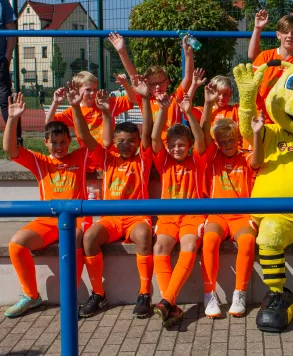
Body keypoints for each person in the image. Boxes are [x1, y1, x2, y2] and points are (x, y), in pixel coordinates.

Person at [2, 92, 93, 317]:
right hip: (48, 220)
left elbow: (92, 142)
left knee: (76, 239)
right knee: (16, 244)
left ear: (70, 142)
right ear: (46, 143)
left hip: (76, 219)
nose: (59, 147)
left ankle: (70, 297)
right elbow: (10, 150)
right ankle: (31, 296)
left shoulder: (79, 157)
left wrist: (76, 108)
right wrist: (12, 118)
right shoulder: (40, 161)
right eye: (54, 142)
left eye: (63, 142)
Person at [76, 81, 154, 319]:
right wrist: (76, 108)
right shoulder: (106, 157)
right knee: (89, 237)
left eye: (130, 140)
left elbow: (149, 132)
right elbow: (85, 136)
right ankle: (98, 294)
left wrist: (145, 101)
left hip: (136, 217)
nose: (125, 144)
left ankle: (144, 294)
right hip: (111, 218)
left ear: (137, 141)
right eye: (121, 140)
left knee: (143, 235)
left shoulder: (142, 159)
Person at [200, 83, 263, 318]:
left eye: (231, 140)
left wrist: (256, 134)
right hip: (217, 214)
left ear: (237, 139)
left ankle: (240, 292)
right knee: (209, 240)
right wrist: (207, 104)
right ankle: (209, 294)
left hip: (242, 215)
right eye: (222, 142)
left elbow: (256, 160)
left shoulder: (244, 157)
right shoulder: (212, 157)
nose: (227, 145)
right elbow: (204, 133)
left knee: (247, 241)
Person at [151, 91, 206, 328]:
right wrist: (163, 110)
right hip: (168, 217)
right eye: (172, 145)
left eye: (181, 145)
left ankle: (167, 301)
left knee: (190, 244)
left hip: (193, 216)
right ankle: (169, 304)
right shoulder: (163, 161)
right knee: (160, 246)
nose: (176, 149)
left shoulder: (197, 159)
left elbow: (201, 139)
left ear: (189, 146)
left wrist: (188, 113)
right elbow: (154, 139)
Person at [108, 32, 196, 144]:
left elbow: (188, 78)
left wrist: (188, 54)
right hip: (152, 146)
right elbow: (133, 77)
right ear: (148, 85)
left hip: (172, 146)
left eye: (160, 82)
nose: (158, 86)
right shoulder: (145, 100)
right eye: (153, 84)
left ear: (167, 82)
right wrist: (122, 51)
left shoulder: (175, 99)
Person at [45, 71, 135, 146]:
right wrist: (55, 102)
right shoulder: (73, 111)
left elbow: (131, 100)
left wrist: (126, 85)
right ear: (77, 90)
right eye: (88, 90)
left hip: (110, 155)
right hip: (88, 158)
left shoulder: (105, 103)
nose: (93, 93)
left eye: (95, 89)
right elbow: (49, 122)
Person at [250, 14, 293, 123]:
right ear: (278, 35)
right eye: (286, 32)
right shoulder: (264, 57)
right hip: (263, 118)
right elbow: (251, 84)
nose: (290, 36)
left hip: (290, 120)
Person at [0, 0, 22, 145]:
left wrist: (7, 58)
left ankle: (15, 139)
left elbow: (11, 32)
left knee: (5, 101)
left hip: (0, 61)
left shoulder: (2, 3)